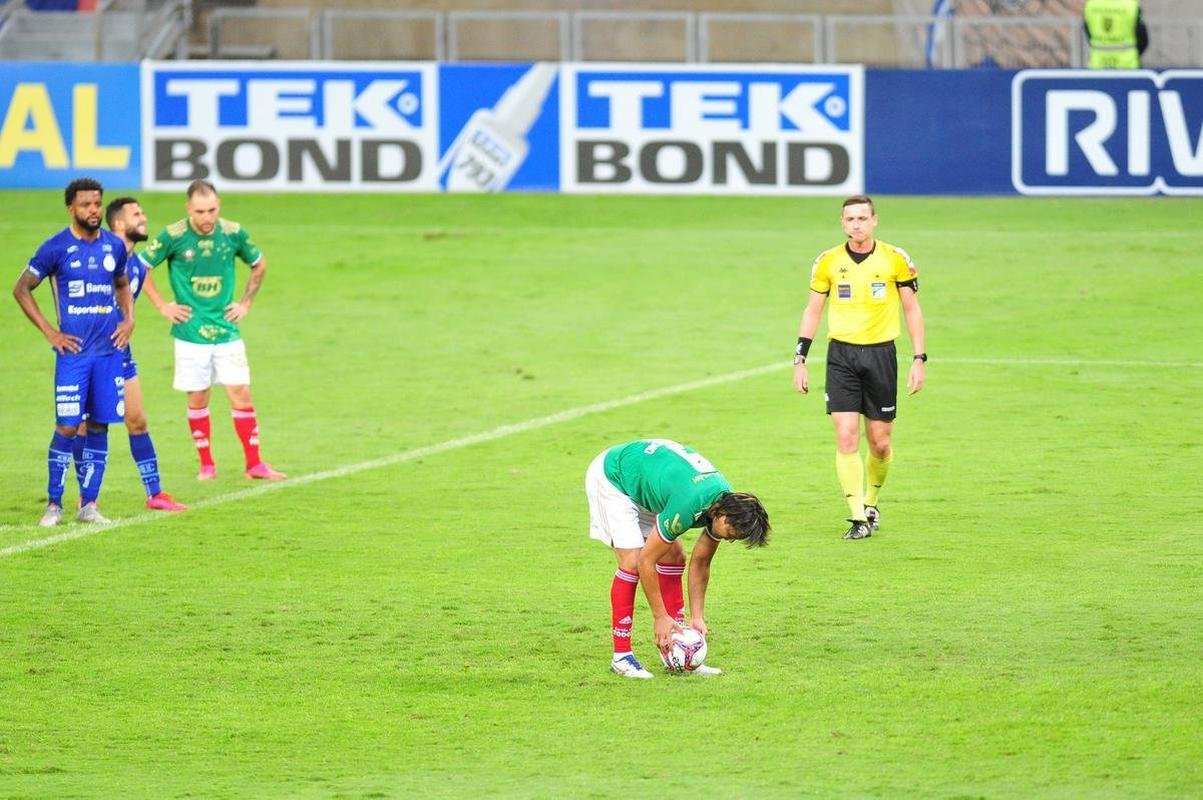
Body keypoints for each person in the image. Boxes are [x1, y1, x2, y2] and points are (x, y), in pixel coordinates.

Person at [792, 195, 926, 541]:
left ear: (874, 220)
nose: (857, 225)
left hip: (882, 355)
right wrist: (800, 359)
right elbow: (812, 310)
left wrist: (919, 358)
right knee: (846, 435)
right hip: (841, 357)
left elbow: (912, 309)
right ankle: (857, 517)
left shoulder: (896, 259)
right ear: (842, 223)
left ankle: (871, 503)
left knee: (879, 443)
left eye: (862, 218)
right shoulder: (827, 261)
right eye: (850, 219)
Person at [585, 438, 770, 678]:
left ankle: (677, 643)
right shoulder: (690, 504)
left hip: (647, 483)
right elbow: (646, 561)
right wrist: (660, 617)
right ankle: (621, 657)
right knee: (632, 562)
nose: (731, 540)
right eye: (732, 534)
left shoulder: (723, 504)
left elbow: (701, 561)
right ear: (722, 516)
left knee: (674, 557)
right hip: (615, 478)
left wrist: (697, 617)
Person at [139, 179, 286, 481]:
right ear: (188, 208)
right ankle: (206, 464)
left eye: (212, 210)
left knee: (241, 394)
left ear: (219, 206)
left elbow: (259, 264)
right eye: (200, 211)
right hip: (190, 333)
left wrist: (245, 303)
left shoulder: (233, 233)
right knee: (198, 398)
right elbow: (140, 267)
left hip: (226, 330)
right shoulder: (173, 235)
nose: (207, 218)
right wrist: (162, 306)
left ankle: (254, 464)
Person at [13, 177, 134, 526]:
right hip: (74, 356)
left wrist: (129, 319)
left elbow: (122, 283)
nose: (93, 210)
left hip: (108, 354)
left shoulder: (114, 246)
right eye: (86, 205)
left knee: (99, 425)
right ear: (71, 208)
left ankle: (89, 504)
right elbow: (22, 289)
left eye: (97, 204)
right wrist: (50, 332)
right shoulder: (56, 248)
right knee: (67, 427)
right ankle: (54, 504)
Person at [74, 196, 186, 512]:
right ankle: (86, 497)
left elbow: (137, 284)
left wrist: (155, 307)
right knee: (87, 426)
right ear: (119, 223)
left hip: (120, 352)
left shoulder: (134, 264)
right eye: (137, 214)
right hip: (91, 354)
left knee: (136, 419)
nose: (144, 218)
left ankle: (155, 493)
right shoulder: (99, 256)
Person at [1083, 0, 1148, 69]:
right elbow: (1142, 38)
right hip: (1127, 65)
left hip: (1098, 64)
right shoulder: (1131, 5)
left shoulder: (1091, 4)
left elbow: (1088, 32)